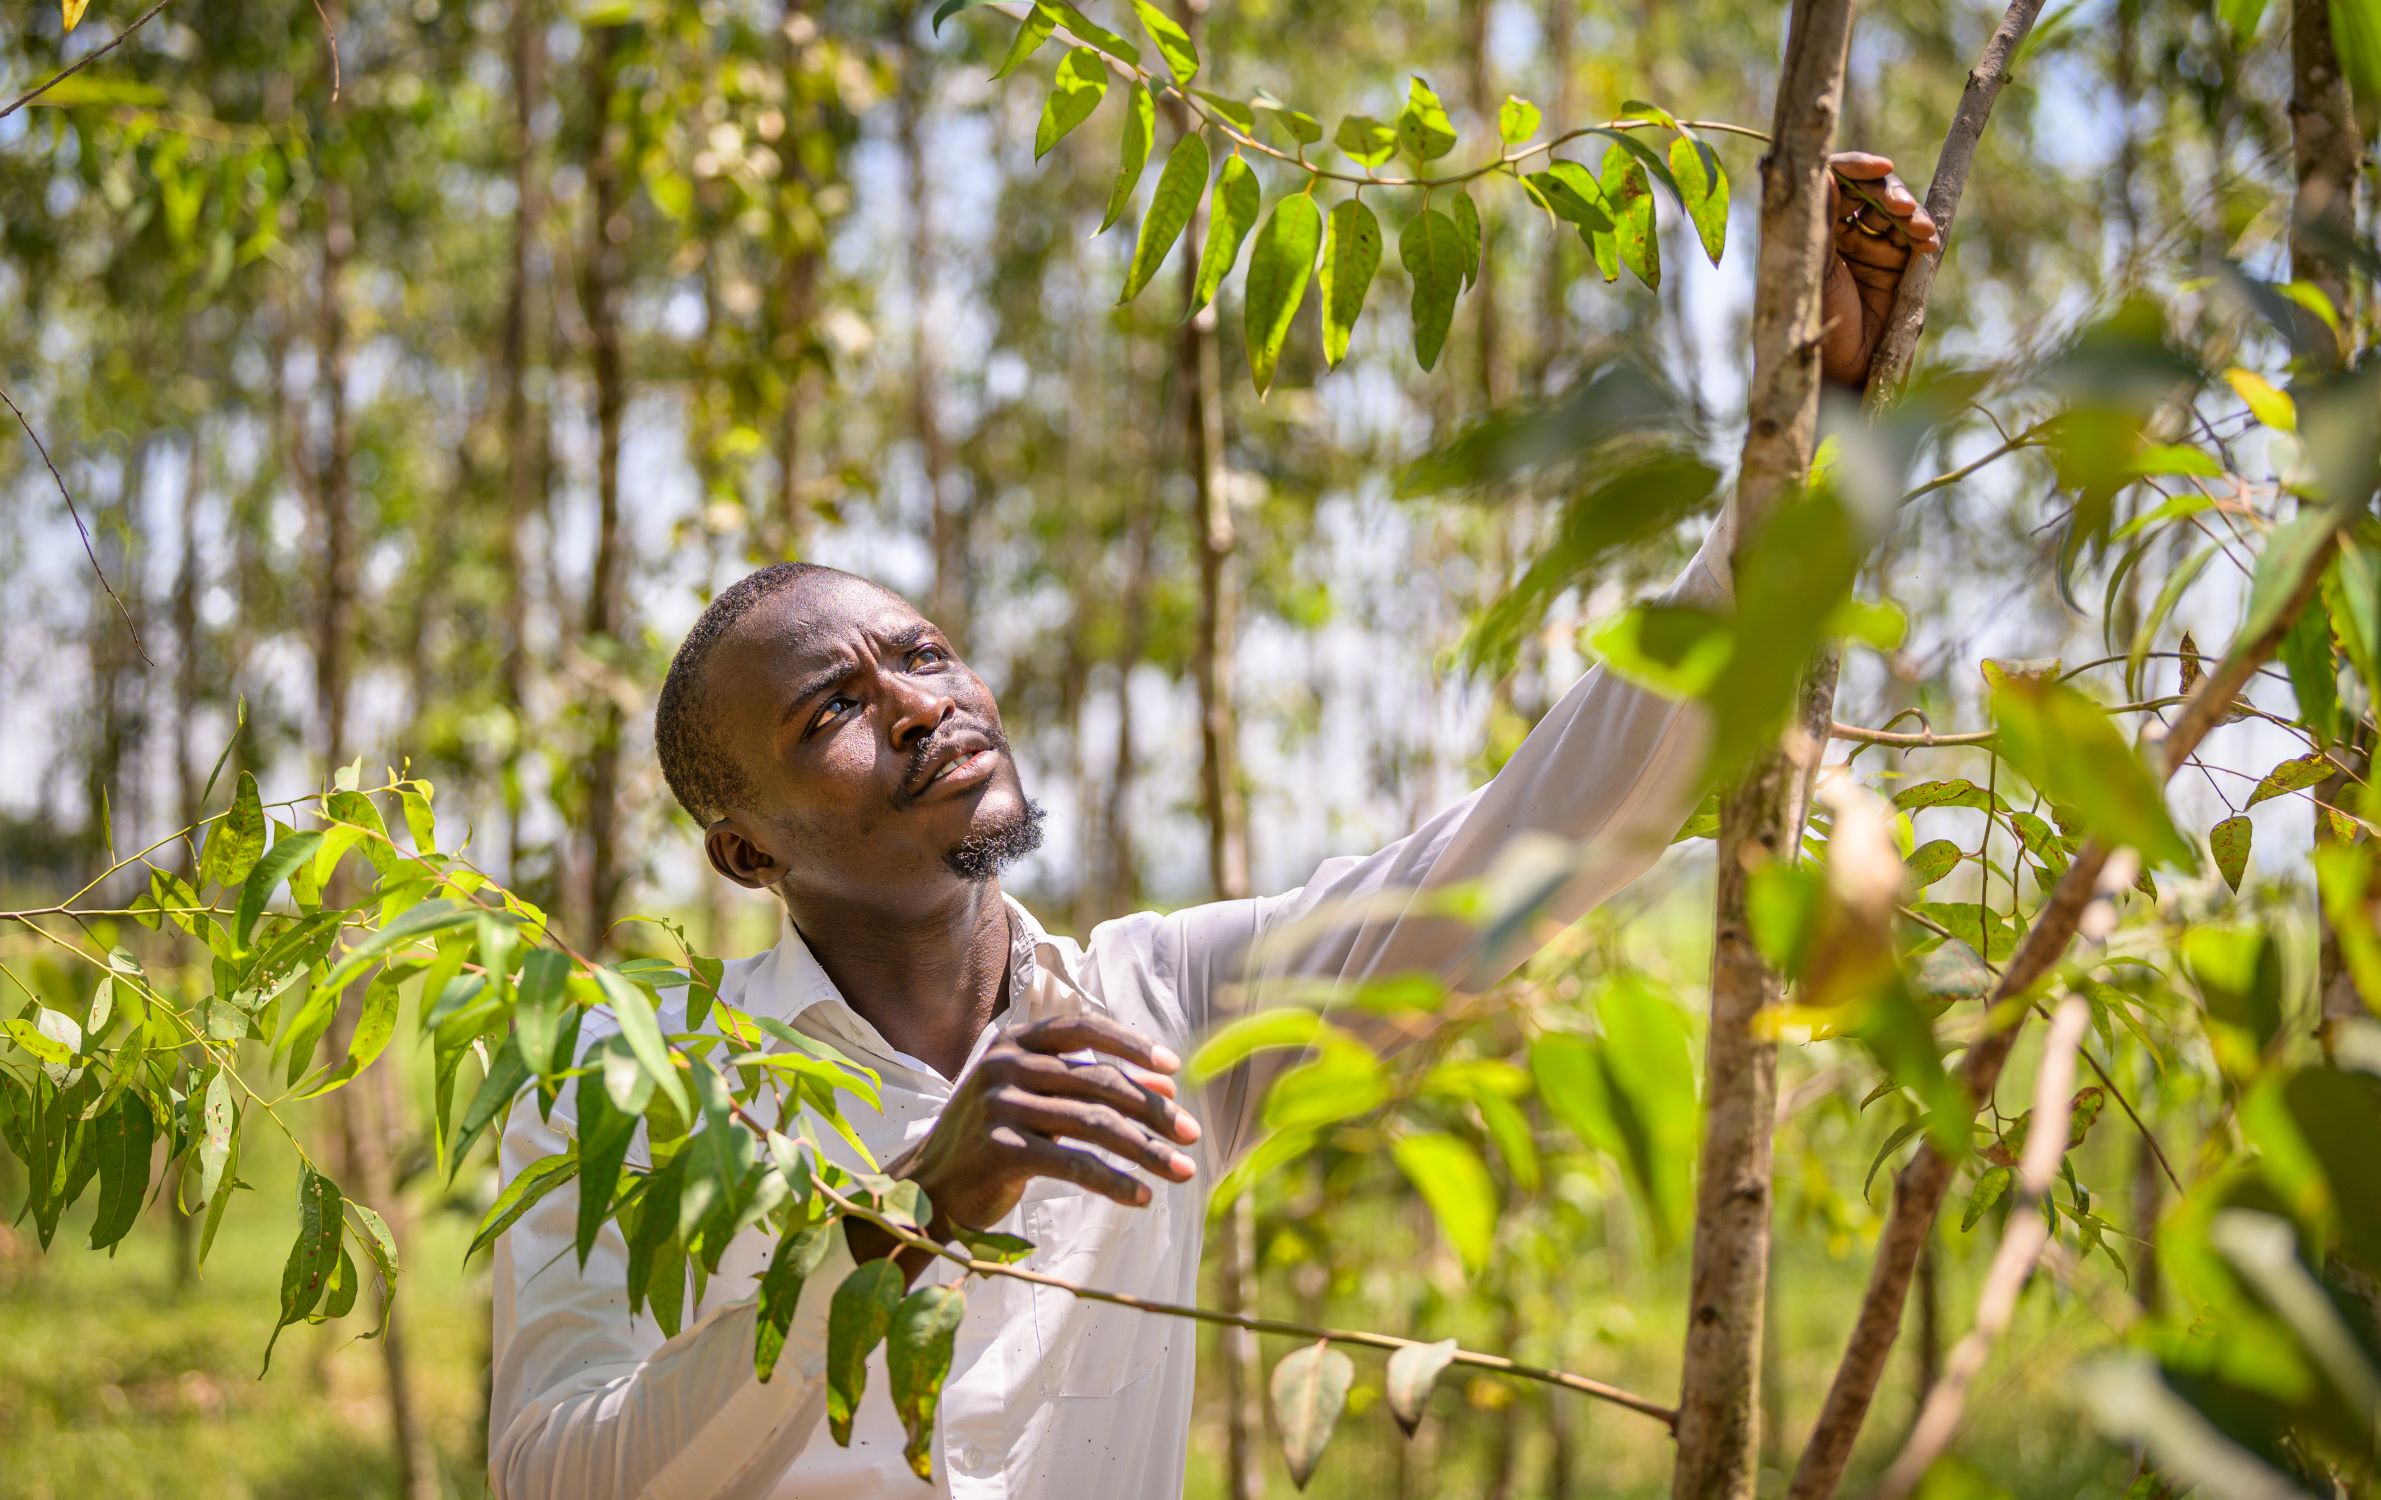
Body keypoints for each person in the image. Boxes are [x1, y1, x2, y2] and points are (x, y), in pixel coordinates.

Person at [486, 153, 1939, 1499]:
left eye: (922, 655)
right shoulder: (640, 1098)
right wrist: (899, 1220)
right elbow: (551, 1472)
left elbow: (1535, 833)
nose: (921, 706)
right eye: (833, 714)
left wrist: (1802, 431)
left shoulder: (1161, 1006)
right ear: (744, 851)